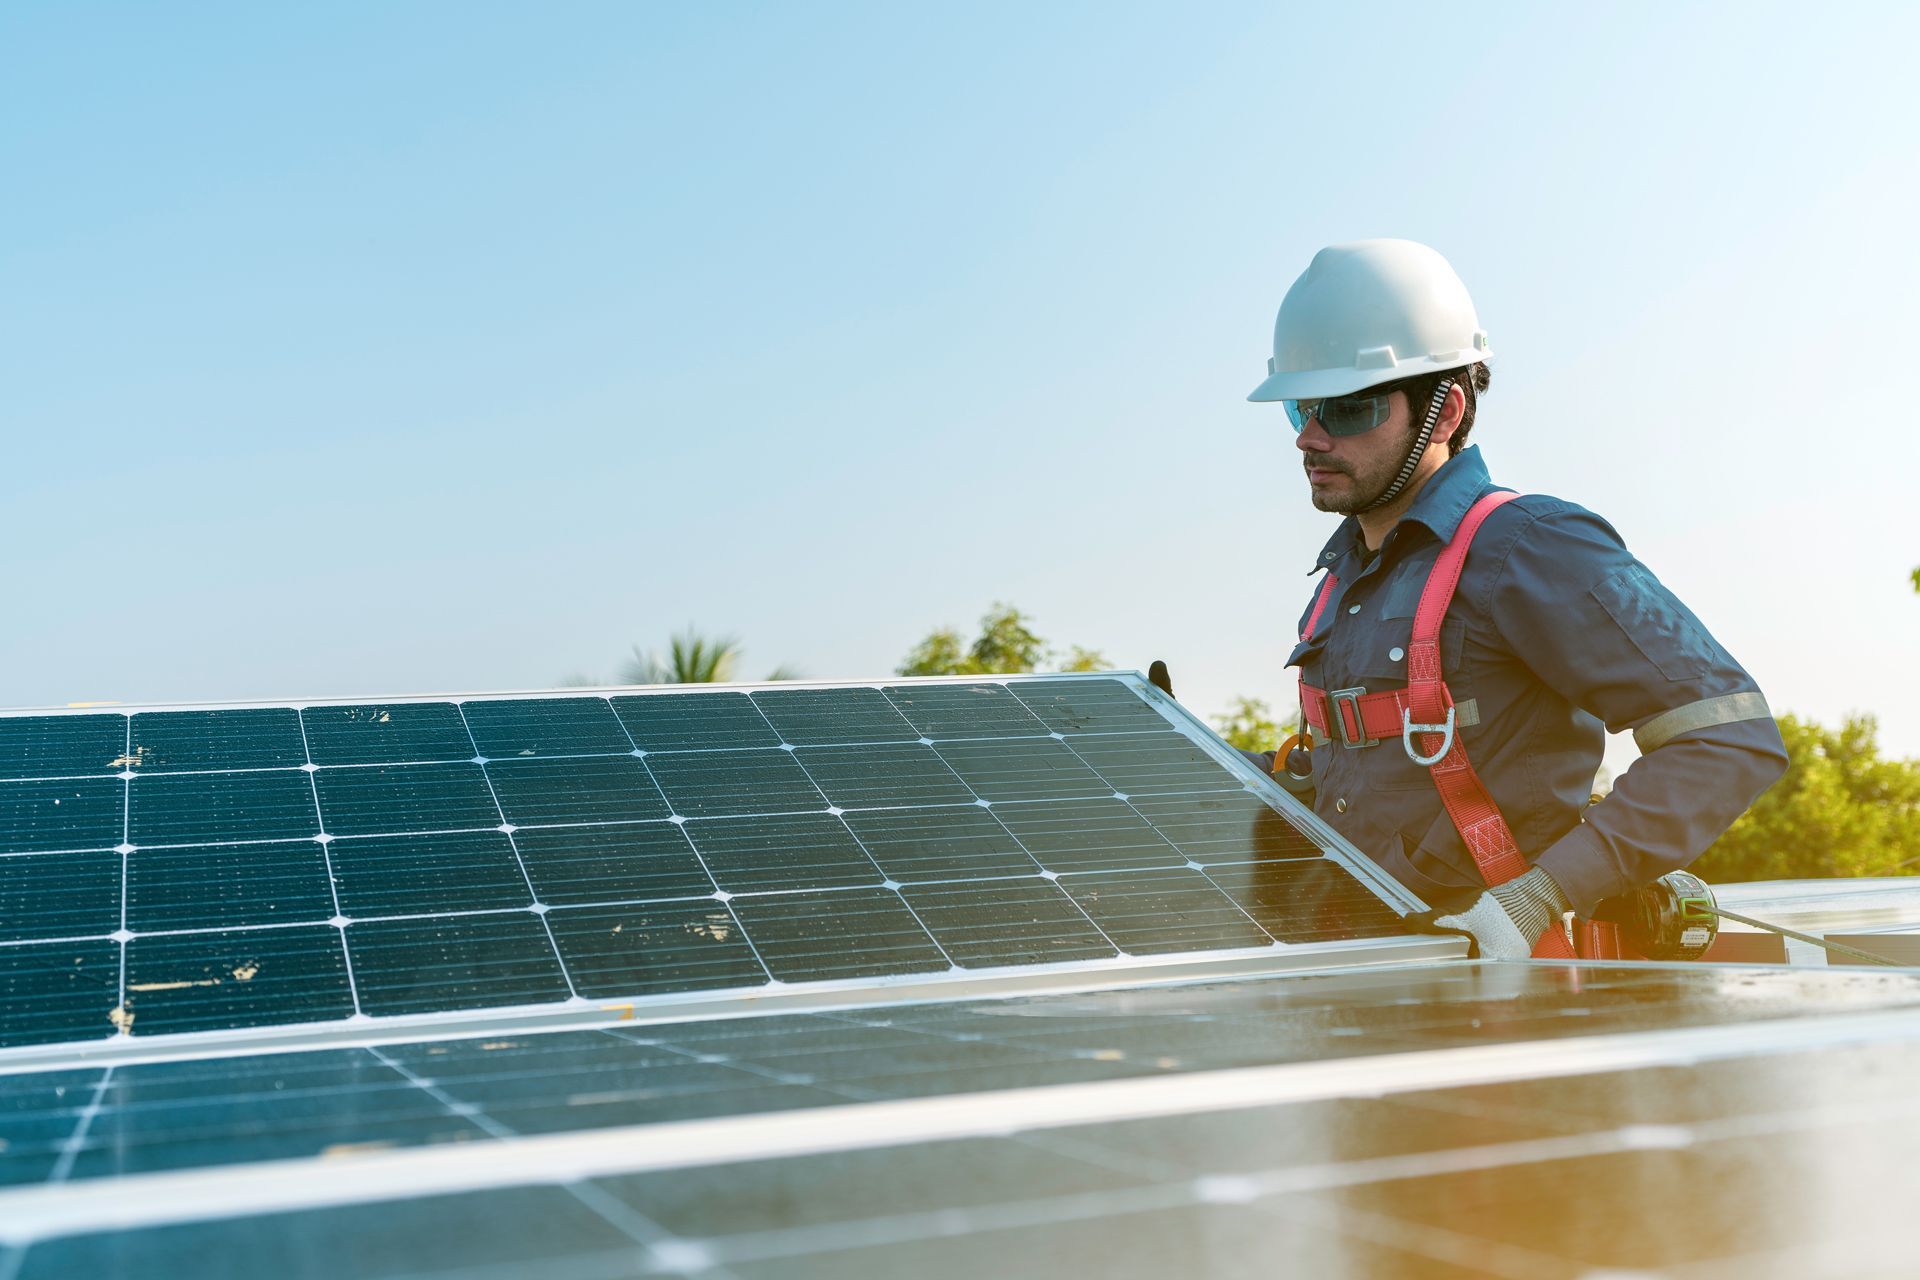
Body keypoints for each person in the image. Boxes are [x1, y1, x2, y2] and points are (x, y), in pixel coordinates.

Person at [1239, 239, 1787, 958]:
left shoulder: (1528, 546)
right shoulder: (1345, 574)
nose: (1310, 437)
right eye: (1302, 409)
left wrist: (1541, 897)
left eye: (1347, 410)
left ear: (1442, 413)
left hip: (1507, 997)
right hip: (1365, 978)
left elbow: (1727, 737)